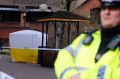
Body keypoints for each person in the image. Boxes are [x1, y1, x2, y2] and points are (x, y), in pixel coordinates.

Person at [54, 0, 120, 79]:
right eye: (103, 8)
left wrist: (82, 77)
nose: (106, 12)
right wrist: (70, 75)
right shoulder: (86, 39)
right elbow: (64, 55)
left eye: (112, 8)